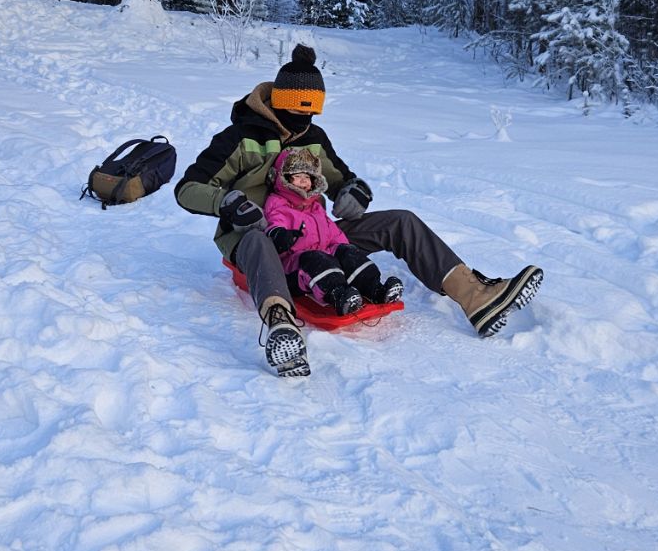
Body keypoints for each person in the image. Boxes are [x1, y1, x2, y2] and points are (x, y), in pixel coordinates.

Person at [174, 43, 543, 378]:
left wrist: (353, 191)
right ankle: (280, 323)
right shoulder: (240, 138)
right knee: (257, 239)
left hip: (313, 239)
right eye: (299, 108)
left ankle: (476, 296)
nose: (305, 118)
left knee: (401, 221)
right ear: (281, 100)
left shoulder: (313, 139)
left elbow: (341, 180)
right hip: (258, 239)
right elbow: (187, 189)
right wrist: (226, 202)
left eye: (313, 110)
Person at [263, 146, 404, 316]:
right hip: (294, 266)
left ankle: (375, 290)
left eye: (307, 177)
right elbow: (274, 223)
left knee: (347, 252)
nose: (303, 181)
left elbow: (333, 233)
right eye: (297, 177)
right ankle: (338, 295)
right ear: (284, 179)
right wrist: (279, 235)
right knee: (317, 259)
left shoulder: (315, 205)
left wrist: (346, 254)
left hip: (324, 257)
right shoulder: (277, 203)